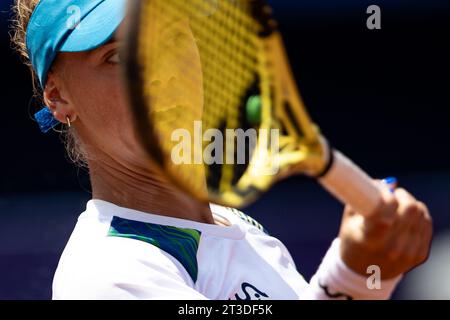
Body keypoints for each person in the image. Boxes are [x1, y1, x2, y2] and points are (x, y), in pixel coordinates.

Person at [11, 0, 433, 300]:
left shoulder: (233, 224)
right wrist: (355, 277)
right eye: (118, 56)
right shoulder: (106, 278)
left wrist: (370, 273)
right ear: (57, 97)